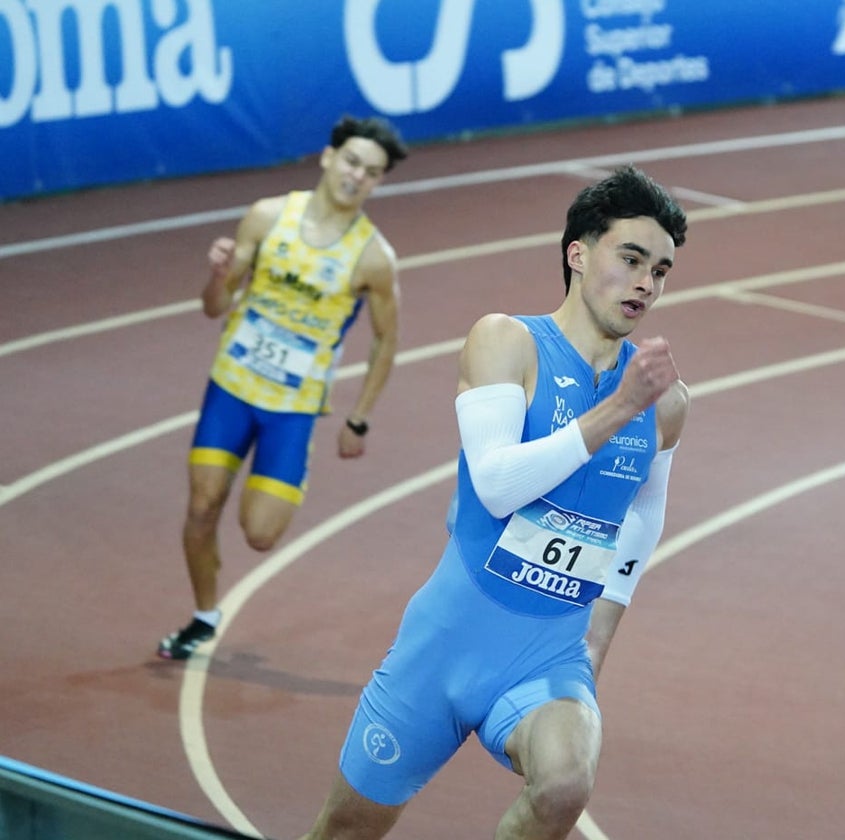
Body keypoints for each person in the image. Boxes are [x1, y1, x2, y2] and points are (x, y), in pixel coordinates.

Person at [301, 164, 689, 840]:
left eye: (660, 270)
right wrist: (617, 409)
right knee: (345, 831)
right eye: (631, 258)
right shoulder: (506, 341)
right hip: (445, 647)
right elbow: (497, 484)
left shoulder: (668, 404)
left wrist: (598, 637)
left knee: (566, 784)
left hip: (548, 655)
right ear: (578, 252)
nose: (645, 283)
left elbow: (645, 515)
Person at [157, 115, 408, 660]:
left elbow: (386, 341)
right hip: (231, 387)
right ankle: (204, 616)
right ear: (327, 157)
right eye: (351, 162)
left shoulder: (373, 259)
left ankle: (285, 477)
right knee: (202, 508)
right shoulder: (268, 217)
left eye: (371, 172)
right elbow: (213, 307)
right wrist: (219, 273)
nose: (356, 176)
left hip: (292, 410)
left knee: (260, 534)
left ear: (378, 182)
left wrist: (359, 416)